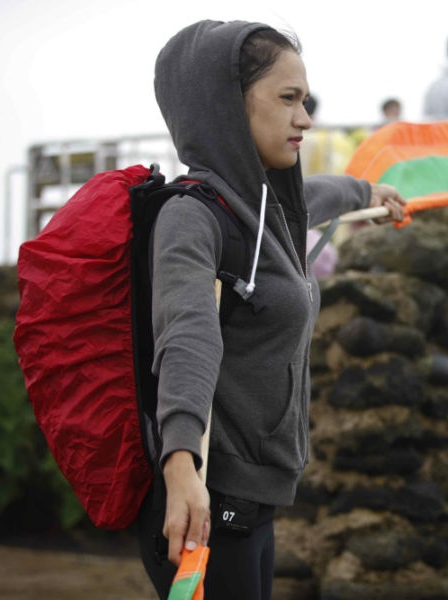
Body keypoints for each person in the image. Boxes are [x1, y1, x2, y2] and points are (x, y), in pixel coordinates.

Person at [137, 20, 405, 599]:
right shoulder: (191, 218)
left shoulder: (264, 210)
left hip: (256, 504)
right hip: (207, 506)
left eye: (304, 100)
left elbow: (314, 196)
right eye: (288, 99)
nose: (304, 118)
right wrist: (181, 466)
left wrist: (366, 192)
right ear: (228, 106)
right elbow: (187, 336)